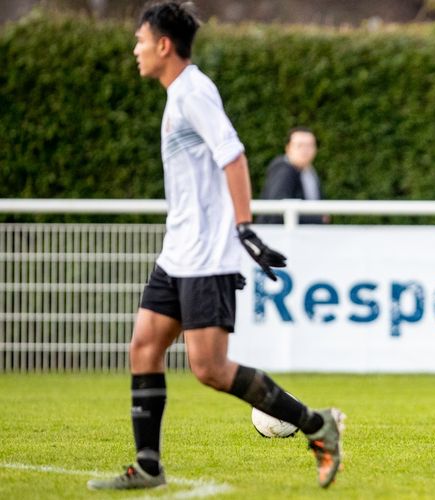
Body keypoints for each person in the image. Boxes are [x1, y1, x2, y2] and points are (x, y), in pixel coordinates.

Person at [87, 2, 344, 490]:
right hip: (178, 251)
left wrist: (243, 230)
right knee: (144, 346)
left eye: (140, 40)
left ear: (164, 45)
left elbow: (234, 156)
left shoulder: (193, 92)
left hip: (206, 254)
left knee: (209, 368)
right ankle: (148, 466)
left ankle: (317, 425)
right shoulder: (177, 94)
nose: (135, 49)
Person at [257, 127, 328, 224]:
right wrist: (318, 218)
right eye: (300, 145)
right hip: (280, 234)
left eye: (310, 145)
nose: (305, 150)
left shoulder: (309, 172)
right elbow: (278, 207)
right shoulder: (283, 171)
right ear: (288, 148)